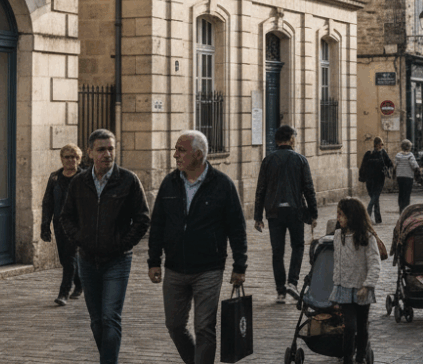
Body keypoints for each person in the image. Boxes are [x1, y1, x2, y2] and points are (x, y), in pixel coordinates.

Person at [148, 130, 247, 364]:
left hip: (208, 268)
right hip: (174, 268)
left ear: (199, 154)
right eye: (176, 149)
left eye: (181, 150)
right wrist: (153, 260)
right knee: (174, 325)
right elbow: (158, 223)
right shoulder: (170, 183)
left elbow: (237, 228)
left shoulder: (223, 185)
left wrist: (239, 265)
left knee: (204, 327)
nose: (175, 155)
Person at [60, 129, 151, 364]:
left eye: (111, 148)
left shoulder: (128, 180)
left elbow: (142, 218)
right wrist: (80, 239)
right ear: (90, 152)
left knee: (110, 317)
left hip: (118, 260)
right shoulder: (80, 182)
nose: (107, 154)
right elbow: (66, 217)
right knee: (96, 320)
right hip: (87, 259)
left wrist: (123, 243)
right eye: (101, 149)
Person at [254, 124, 318, 303]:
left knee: (277, 251)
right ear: (291, 139)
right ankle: (293, 282)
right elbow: (308, 189)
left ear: (276, 141)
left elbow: (261, 190)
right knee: (298, 246)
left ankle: (281, 292)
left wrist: (258, 217)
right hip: (295, 210)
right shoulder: (300, 160)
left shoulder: (268, 160)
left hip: (274, 212)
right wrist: (313, 214)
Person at [330, 197, 381, 364]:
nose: (338, 218)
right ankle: (347, 358)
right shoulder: (338, 236)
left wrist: (368, 285)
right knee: (349, 327)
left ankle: (360, 356)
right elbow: (338, 262)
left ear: (352, 216)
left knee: (362, 326)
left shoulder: (367, 237)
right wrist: (336, 286)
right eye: (337, 214)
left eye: (341, 214)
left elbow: (374, 263)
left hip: (361, 289)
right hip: (344, 288)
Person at [41, 143, 85, 306]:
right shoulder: (54, 178)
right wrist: (45, 225)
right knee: (64, 258)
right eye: (67, 157)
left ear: (79, 159)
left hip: (77, 224)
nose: (70, 160)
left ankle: (63, 293)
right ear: (61, 159)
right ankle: (80, 283)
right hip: (59, 223)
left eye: (74, 157)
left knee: (70, 258)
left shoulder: (85, 177)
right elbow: (48, 202)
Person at [359, 137, 392, 224]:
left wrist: (362, 177)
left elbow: (363, 166)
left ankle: (378, 218)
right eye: (381, 144)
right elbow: (390, 163)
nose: (381, 146)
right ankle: (367, 215)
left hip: (370, 180)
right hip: (378, 180)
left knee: (375, 198)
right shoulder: (382, 153)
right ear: (377, 144)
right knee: (374, 199)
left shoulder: (368, 154)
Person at [393, 140, 417, 214]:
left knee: (401, 192)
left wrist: (394, 173)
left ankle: (401, 207)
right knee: (407, 193)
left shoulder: (398, 155)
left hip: (400, 176)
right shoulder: (410, 155)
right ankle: (406, 208)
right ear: (409, 147)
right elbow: (414, 165)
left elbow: (394, 165)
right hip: (408, 176)